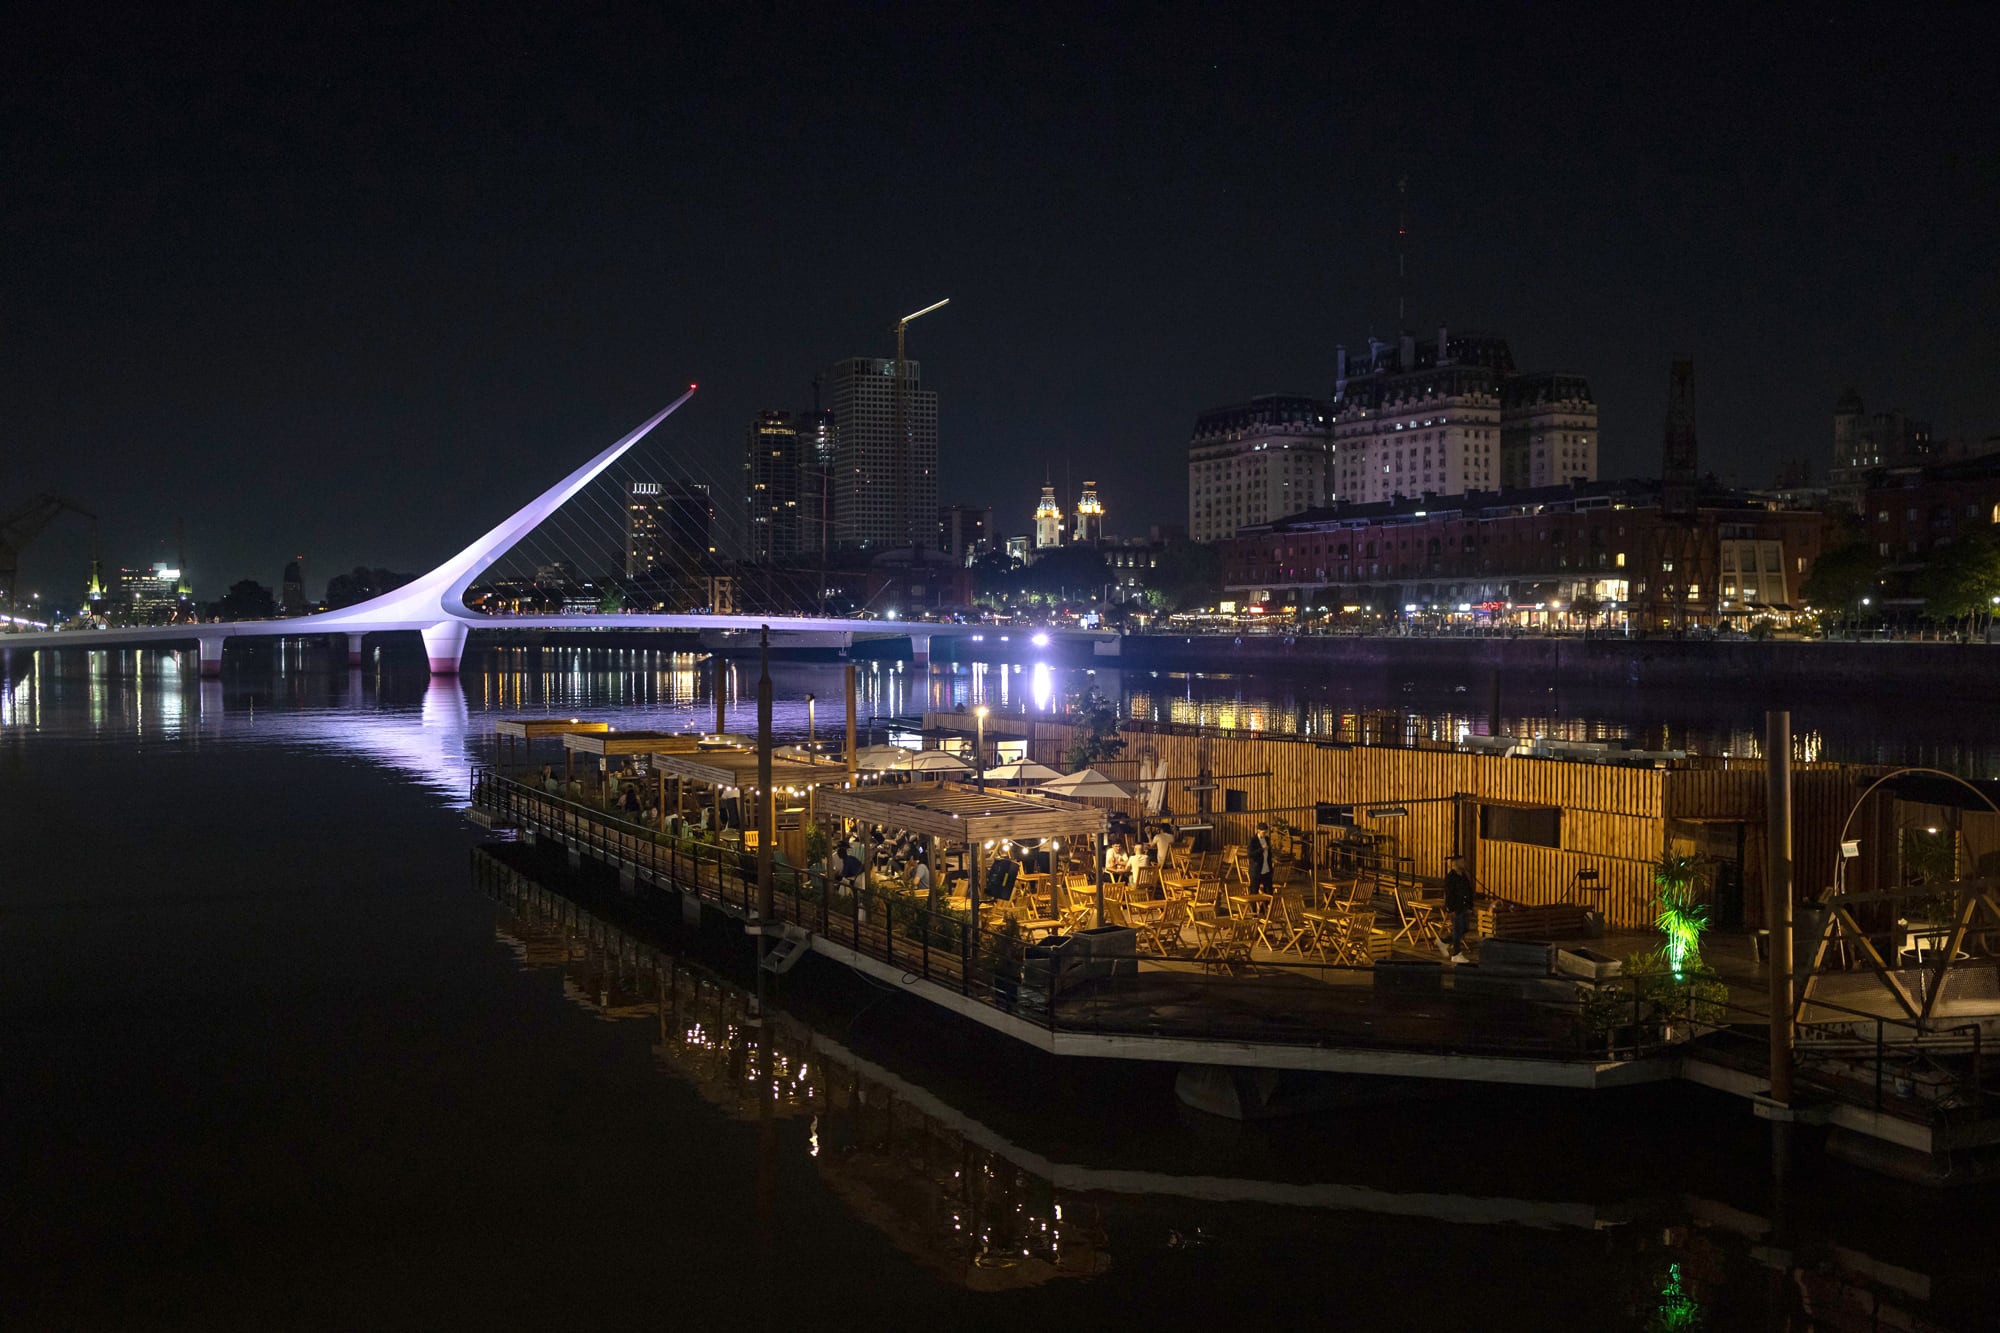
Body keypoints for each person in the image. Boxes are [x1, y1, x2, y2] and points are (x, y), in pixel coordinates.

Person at [1443, 855, 1476, 963]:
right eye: (1461, 862)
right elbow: (1449, 894)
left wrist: (1470, 906)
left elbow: (1469, 891)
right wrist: (1450, 909)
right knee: (1457, 930)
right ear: (1455, 864)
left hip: (1464, 906)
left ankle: (1443, 942)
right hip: (1456, 908)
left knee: (1465, 928)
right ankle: (1456, 953)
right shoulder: (1450, 878)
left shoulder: (1463, 876)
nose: (1464, 864)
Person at [1250, 823, 1275, 897]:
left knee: (1269, 893)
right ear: (1258, 830)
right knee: (1254, 892)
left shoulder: (1267, 839)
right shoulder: (1253, 840)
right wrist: (1261, 850)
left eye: (1266, 832)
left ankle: (1263, 908)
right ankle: (1253, 908)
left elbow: (1269, 854)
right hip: (1256, 870)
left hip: (1266, 870)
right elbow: (1250, 854)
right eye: (1263, 832)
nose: (1264, 834)